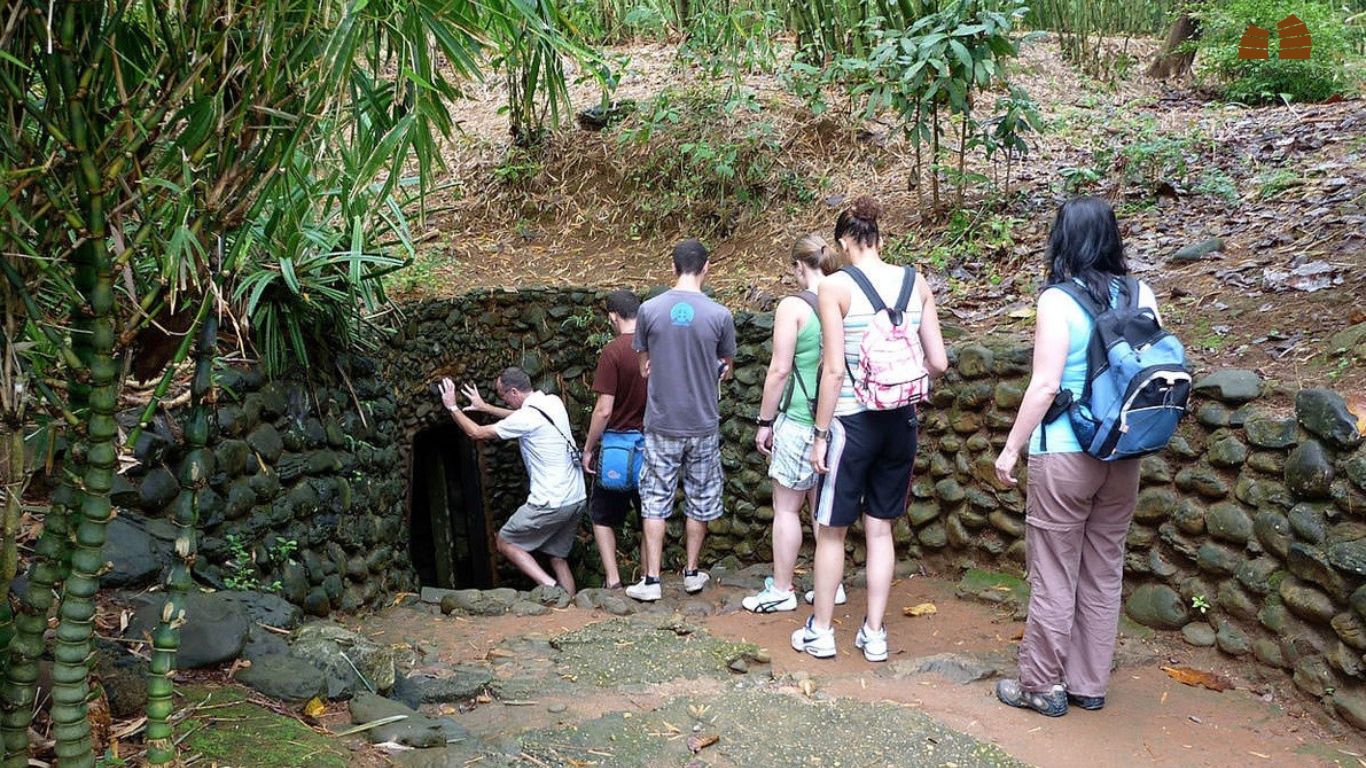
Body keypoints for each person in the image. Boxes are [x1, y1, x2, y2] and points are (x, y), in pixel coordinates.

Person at [992, 197, 1160, 716]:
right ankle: (1089, 683)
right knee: (1104, 568)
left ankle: (1042, 684)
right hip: (1123, 451)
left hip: (1065, 452)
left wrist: (1011, 447)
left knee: (1054, 571)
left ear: (1063, 239)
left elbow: (1044, 386)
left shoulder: (1057, 301)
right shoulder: (1142, 293)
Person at [794, 197, 947, 661]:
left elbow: (834, 370)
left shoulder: (835, 287)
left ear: (843, 241)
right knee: (881, 530)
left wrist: (820, 434)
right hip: (901, 421)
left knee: (832, 529)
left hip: (850, 423)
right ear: (880, 237)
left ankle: (822, 630)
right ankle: (875, 633)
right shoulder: (915, 281)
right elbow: (938, 362)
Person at [625, 239, 737, 602]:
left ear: (672, 268)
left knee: (655, 499)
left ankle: (652, 580)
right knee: (700, 498)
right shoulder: (720, 315)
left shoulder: (649, 310)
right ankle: (691, 572)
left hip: (661, 422)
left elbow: (643, 367)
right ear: (707, 268)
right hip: (702, 421)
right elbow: (726, 369)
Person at [744, 235, 847, 613]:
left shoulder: (793, 306)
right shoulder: (845, 296)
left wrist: (765, 420)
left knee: (787, 508)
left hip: (801, 417)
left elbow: (779, 368)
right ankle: (830, 586)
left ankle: (782, 588)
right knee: (825, 509)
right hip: (838, 421)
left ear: (799, 267)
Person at [439, 367, 586, 596]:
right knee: (557, 557)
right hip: (576, 498)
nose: (504, 401)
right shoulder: (552, 402)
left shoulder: (527, 417)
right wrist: (485, 407)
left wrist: (452, 407)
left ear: (514, 392)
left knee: (506, 541)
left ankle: (551, 588)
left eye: (503, 396)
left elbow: (476, 432)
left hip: (551, 501)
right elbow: (521, 419)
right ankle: (574, 605)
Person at [581, 290, 648, 589]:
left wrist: (588, 448)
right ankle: (650, 576)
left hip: (618, 447)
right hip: (651, 445)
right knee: (650, 515)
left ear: (613, 316)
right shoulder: (655, 348)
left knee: (603, 516)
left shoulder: (613, 352)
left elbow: (604, 409)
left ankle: (613, 580)